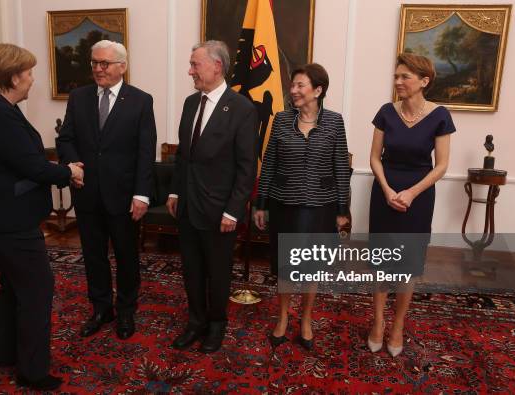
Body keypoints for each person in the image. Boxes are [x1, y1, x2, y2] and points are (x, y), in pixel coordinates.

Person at [0, 43, 84, 391]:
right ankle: (32, 372)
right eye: (29, 73)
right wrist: (69, 172)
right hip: (7, 219)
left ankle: (2, 353)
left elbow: (17, 159)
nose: (32, 80)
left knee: (13, 286)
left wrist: (59, 169)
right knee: (36, 289)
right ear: (13, 76)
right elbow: (28, 165)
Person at [56, 40, 156, 340]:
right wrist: (72, 162)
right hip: (86, 193)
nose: (98, 69)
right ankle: (101, 308)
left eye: (105, 64)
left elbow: (145, 151)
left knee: (126, 257)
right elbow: (65, 139)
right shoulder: (79, 97)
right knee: (93, 256)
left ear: (122, 66)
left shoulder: (140, 100)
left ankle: (126, 310)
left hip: (123, 197)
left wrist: (142, 194)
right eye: (94, 63)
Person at [166, 40, 258, 354]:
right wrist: (176, 190)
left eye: (195, 64)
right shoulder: (191, 103)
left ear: (216, 66)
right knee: (191, 269)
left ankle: (217, 325)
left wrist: (234, 211)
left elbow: (247, 167)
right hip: (188, 205)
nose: (190, 70)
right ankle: (196, 322)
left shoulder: (243, 109)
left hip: (220, 211)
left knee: (217, 273)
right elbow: (183, 156)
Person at [254, 63, 351, 351]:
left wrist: (343, 210)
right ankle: (283, 317)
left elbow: (340, 168)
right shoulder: (282, 120)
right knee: (285, 267)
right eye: (292, 85)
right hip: (284, 204)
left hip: (321, 207)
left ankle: (306, 319)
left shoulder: (335, 121)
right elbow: (269, 163)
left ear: (318, 90)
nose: (293, 90)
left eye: (300, 85)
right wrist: (261, 204)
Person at [367, 53, 455, 357]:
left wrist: (411, 193)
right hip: (384, 194)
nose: (398, 82)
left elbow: (441, 165)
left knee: (407, 267)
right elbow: (375, 157)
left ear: (424, 81)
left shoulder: (440, 115)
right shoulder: (385, 112)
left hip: (417, 198)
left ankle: (398, 326)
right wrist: (388, 189)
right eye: (396, 76)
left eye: (404, 77)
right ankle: (378, 323)